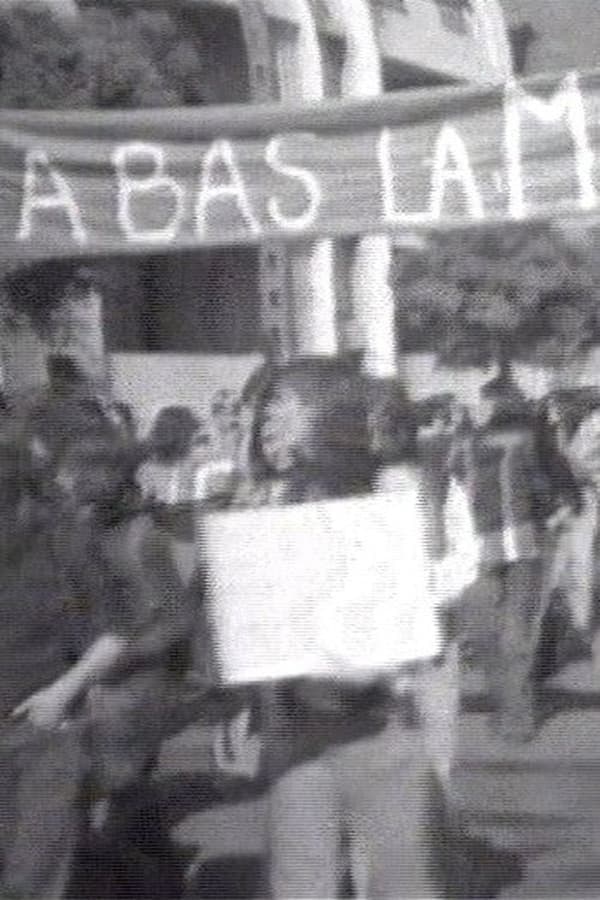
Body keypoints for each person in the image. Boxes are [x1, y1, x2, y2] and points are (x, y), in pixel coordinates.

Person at [215, 358, 477, 899]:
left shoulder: (394, 491)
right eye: (262, 414)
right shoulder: (263, 499)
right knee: (299, 879)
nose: (266, 427)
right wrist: (243, 700)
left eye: (283, 412)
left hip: (382, 716)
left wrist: (380, 633)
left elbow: (428, 585)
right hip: (295, 724)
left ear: (329, 421)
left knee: (399, 880)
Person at [451, 371, 555, 742]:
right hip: (506, 544)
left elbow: (553, 476)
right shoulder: (459, 438)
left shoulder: (466, 439)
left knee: (498, 633)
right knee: (505, 632)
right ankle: (516, 712)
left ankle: (514, 713)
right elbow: (551, 480)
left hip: (498, 544)